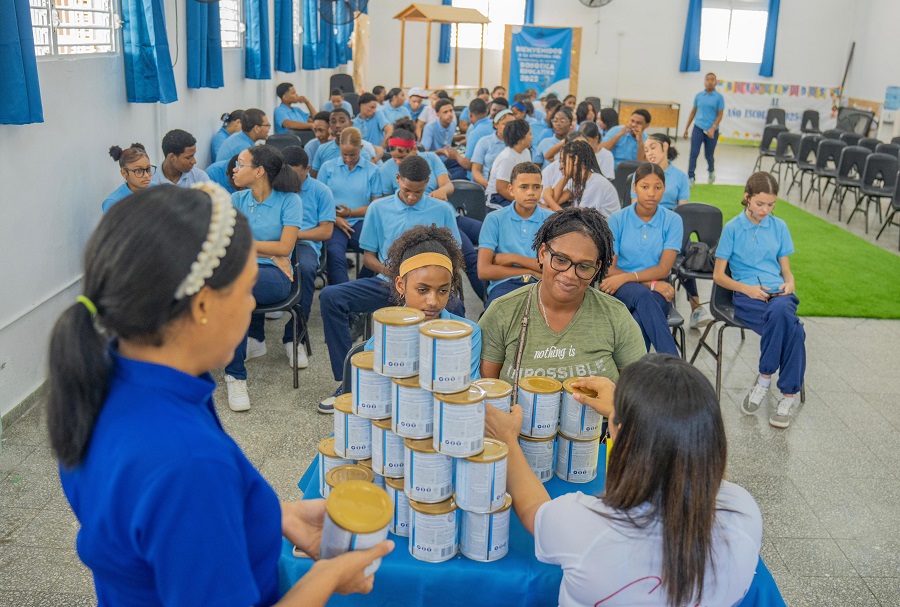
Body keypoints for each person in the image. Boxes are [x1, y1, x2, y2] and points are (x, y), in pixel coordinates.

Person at [50, 184, 392, 606]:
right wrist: (328, 576)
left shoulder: (106, 375)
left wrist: (273, 514)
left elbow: (164, 529)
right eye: (248, 289)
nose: (251, 305)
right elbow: (184, 495)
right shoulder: (188, 462)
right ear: (202, 306)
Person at [483, 353, 762, 607]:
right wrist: (634, 411)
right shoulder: (744, 512)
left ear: (619, 432)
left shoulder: (589, 526)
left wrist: (508, 440)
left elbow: (534, 510)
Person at [318, 156, 463, 411]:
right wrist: (401, 279)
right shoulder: (378, 208)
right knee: (330, 296)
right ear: (397, 180)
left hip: (427, 287)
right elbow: (369, 258)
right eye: (407, 190)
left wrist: (425, 283)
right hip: (388, 283)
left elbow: (454, 256)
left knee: (456, 308)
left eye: (418, 192)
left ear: (428, 184)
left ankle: (444, 379)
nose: (412, 197)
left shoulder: (441, 209)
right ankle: (347, 380)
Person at [478, 206, 645, 383]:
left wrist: (611, 399)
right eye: (561, 260)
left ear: (597, 269)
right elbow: (485, 390)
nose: (570, 275)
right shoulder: (502, 313)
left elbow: (639, 391)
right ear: (542, 254)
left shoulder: (616, 316)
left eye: (584, 266)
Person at [714, 172, 805, 429]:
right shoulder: (732, 229)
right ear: (747, 197)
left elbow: (786, 271)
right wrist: (748, 289)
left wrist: (790, 283)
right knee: (795, 331)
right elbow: (718, 276)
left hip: (780, 295)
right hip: (748, 297)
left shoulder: (780, 227)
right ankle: (788, 396)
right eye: (760, 203)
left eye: (771, 204)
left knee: (781, 313)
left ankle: (764, 379)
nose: (765, 210)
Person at [225, 146, 303, 410]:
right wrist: (266, 250)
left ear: (258, 171)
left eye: (240, 163)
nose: (234, 169)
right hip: (242, 272)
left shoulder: (290, 201)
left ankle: (235, 374)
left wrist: (247, 245)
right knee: (234, 293)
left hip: (275, 275)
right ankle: (236, 374)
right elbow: (228, 242)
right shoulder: (237, 199)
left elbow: (285, 247)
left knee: (233, 289)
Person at [362, 224, 481, 383]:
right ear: (400, 285)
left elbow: (468, 389)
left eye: (443, 291)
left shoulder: (469, 334)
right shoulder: (383, 340)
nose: (433, 301)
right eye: (422, 290)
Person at [380, 123, 484, 301]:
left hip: (447, 214)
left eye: (402, 156)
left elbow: (448, 185)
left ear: (414, 150)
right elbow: (388, 203)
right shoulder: (386, 168)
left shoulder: (431, 158)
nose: (397, 161)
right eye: (394, 157)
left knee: (484, 241)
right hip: (424, 223)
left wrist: (441, 192)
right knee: (467, 255)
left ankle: (489, 302)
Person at [602, 163, 682, 356]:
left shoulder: (673, 220)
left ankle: (633, 371)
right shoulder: (617, 220)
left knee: (640, 318)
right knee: (643, 295)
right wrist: (650, 284)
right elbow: (610, 270)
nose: (651, 193)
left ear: (664, 188)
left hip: (656, 289)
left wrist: (631, 278)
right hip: (622, 288)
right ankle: (673, 363)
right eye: (645, 187)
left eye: (658, 187)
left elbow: (664, 269)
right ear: (634, 188)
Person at [281, 146, 335, 369]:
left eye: (296, 174)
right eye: (287, 173)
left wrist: (293, 234)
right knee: (253, 268)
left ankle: (295, 338)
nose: (291, 179)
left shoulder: (321, 191)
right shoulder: (277, 186)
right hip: (275, 243)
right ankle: (255, 337)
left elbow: (326, 231)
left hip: (304, 243)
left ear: (308, 169)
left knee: (304, 269)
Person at [478, 162, 552, 308]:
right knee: (498, 315)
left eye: (536, 187)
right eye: (524, 187)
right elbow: (484, 271)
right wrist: (529, 271)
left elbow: (553, 267)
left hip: (542, 285)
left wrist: (513, 258)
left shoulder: (551, 220)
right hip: (505, 285)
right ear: (511, 190)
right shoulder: (494, 219)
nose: (531, 192)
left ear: (542, 189)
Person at [318, 127, 381, 285]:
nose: (348, 158)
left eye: (352, 154)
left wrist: (350, 213)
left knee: (378, 251)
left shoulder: (372, 171)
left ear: (361, 148)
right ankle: (341, 294)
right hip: (332, 222)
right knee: (334, 253)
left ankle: (359, 287)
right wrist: (335, 218)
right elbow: (317, 202)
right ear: (339, 147)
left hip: (361, 222)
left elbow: (375, 206)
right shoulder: (327, 168)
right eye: (344, 154)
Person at [549, 140, 619, 217]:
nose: (560, 167)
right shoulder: (578, 183)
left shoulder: (596, 183)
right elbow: (556, 200)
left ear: (575, 160)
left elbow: (578, 219)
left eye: (563, 161)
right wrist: (566, 177)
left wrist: (547, 198)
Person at [684, 72, 725, 186]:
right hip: (698, 128)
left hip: (712, 131)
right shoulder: (699, 96)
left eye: (712, 79)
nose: (710, 81)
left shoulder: (719, 98)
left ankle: (711, 171)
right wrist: (686, 128)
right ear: (704, 81)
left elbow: (720, 115)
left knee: (709, 155)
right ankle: (691, 177)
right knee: (694, 153)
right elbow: (693, 112)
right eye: (708, 79)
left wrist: (713, 128)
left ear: (715, 82)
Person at [310, 109, 377, 177]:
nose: (337, 125)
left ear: (350, 124)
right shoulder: (322, 149)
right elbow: (314, 177)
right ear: (330, 125)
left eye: (342, 121)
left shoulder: (363, 153)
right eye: (333, 122)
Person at [486, 118, 533, 209]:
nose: (532, 137)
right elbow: (501, 188)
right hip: (497, 198)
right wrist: (523, 201)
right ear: (521, 139)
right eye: (530, 134)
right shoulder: (507, 158)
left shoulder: (526, 152)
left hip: (516, 192)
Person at [102, 143, 154, 213]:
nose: (146, 175)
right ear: (124, 173)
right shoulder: (113, 202)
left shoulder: (155, 188)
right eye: (139, 171)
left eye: (148, 169)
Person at [471, 109, 514, 189]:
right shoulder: (484, 142)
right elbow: (476, 170)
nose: (509, 127)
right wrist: (488, 185)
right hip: (487, 186)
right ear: (496, 125)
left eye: (512, 124)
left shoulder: (516, 143)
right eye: (505, 124)